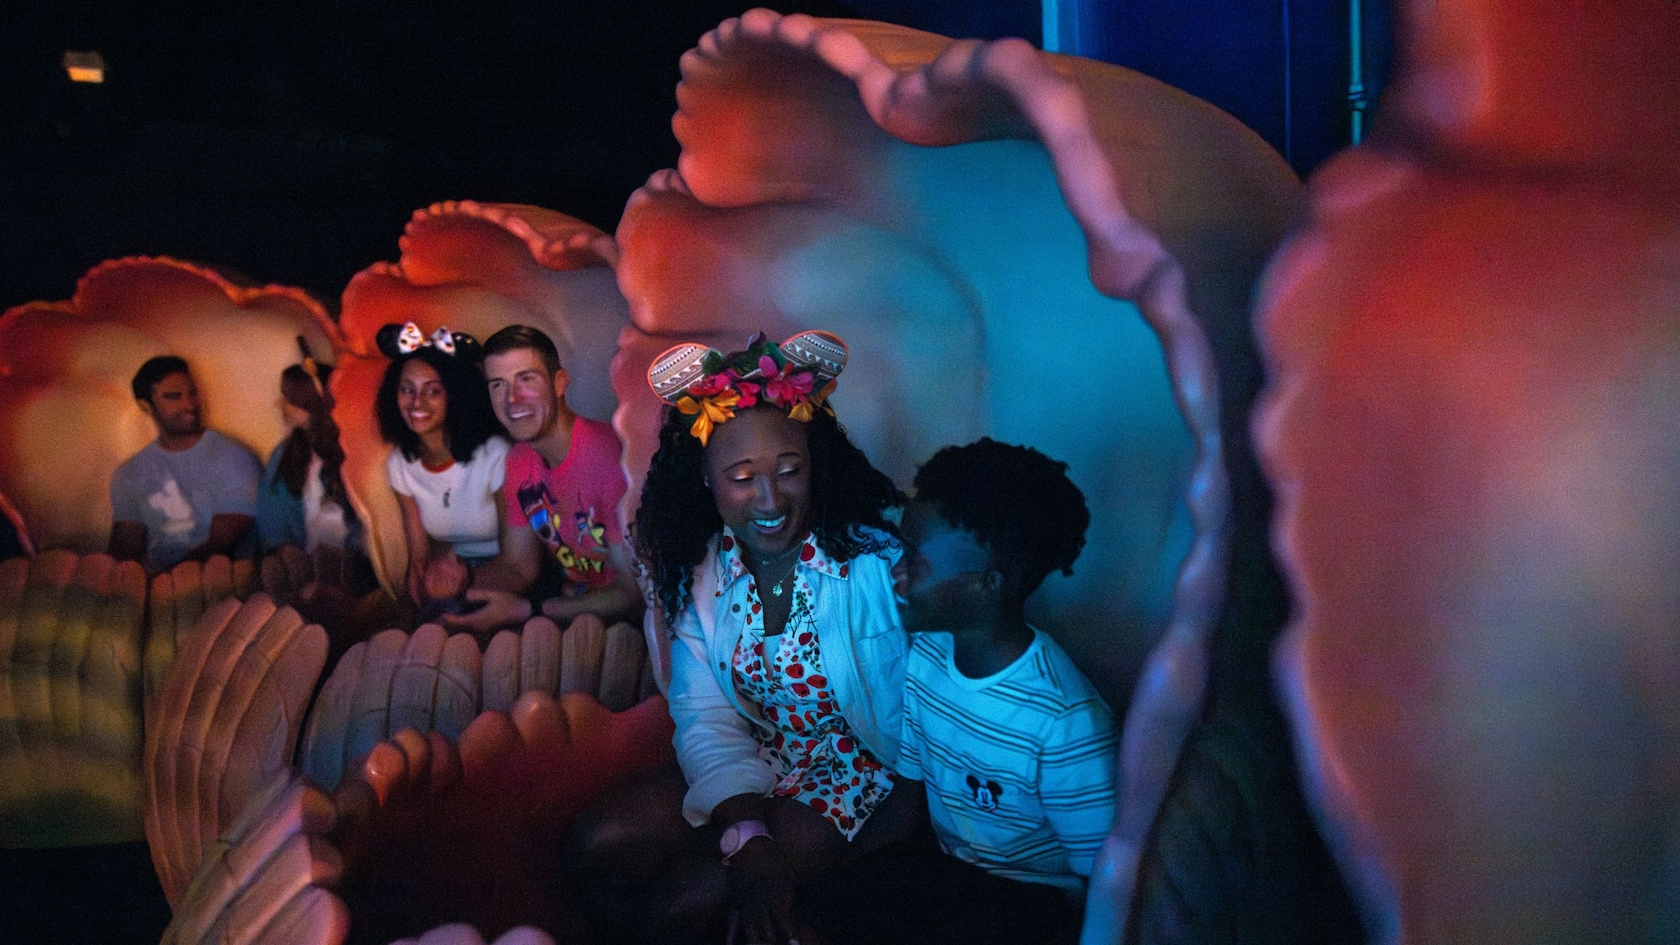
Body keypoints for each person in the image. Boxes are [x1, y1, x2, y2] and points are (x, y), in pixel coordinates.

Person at [569, 330, 917, 945]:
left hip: (859, 768)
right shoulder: (705, 573)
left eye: (789, 471)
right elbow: (705, 715)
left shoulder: (878, 566)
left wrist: (910, 810)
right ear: (706, 479)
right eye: (741, 477)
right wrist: (746, 830)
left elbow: (931, 709)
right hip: (760, 751)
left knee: (687, 901)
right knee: (596, 844)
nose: (769, 498)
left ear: (814, 465)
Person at [888, 437, 1116, 942]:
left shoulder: (1064, 722)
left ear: (988, 583)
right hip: (950, 876)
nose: (895, 573)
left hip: (1031, 901)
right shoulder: (927, 655)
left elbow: (1105, 884)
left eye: (913, 560)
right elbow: (906, 801)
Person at [443, 324, 640, 632]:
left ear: (559, 383)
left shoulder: (610, 461)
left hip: (630, 625)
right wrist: (457, 585)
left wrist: (532, 611)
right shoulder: (520, 461)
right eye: (498, 384)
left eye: (526, 379)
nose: (512, 399)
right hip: (569, 607)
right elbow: (518, 566)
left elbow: (633, 592)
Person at [374, 322, 510, 606]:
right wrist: (419, 583)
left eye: (432, 391)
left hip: (503, 575)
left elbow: (520, 563)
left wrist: (461, 584)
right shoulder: (400, 463)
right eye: (407, 390)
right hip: (446, 579)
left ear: (455, 395)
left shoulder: (496, 454)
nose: (416, 403)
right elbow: (419, 554)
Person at [109, 355, 262, 572]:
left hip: (221, 580)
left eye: (193, 393)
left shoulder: (234, 457)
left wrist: (162, 580)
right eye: (174, 397)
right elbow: (125, 549)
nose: (189, 404)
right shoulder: (130, 473)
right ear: (146, 406)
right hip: (155, 584)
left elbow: (222, 544)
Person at [256, 350, 358, 554]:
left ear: (313, 405)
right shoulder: (284, 454)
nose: (280, 405)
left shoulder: (352, 452)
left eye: (290, 399)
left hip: (352, 561)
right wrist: (286, 554)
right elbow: (271, 517)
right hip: (302, 560)